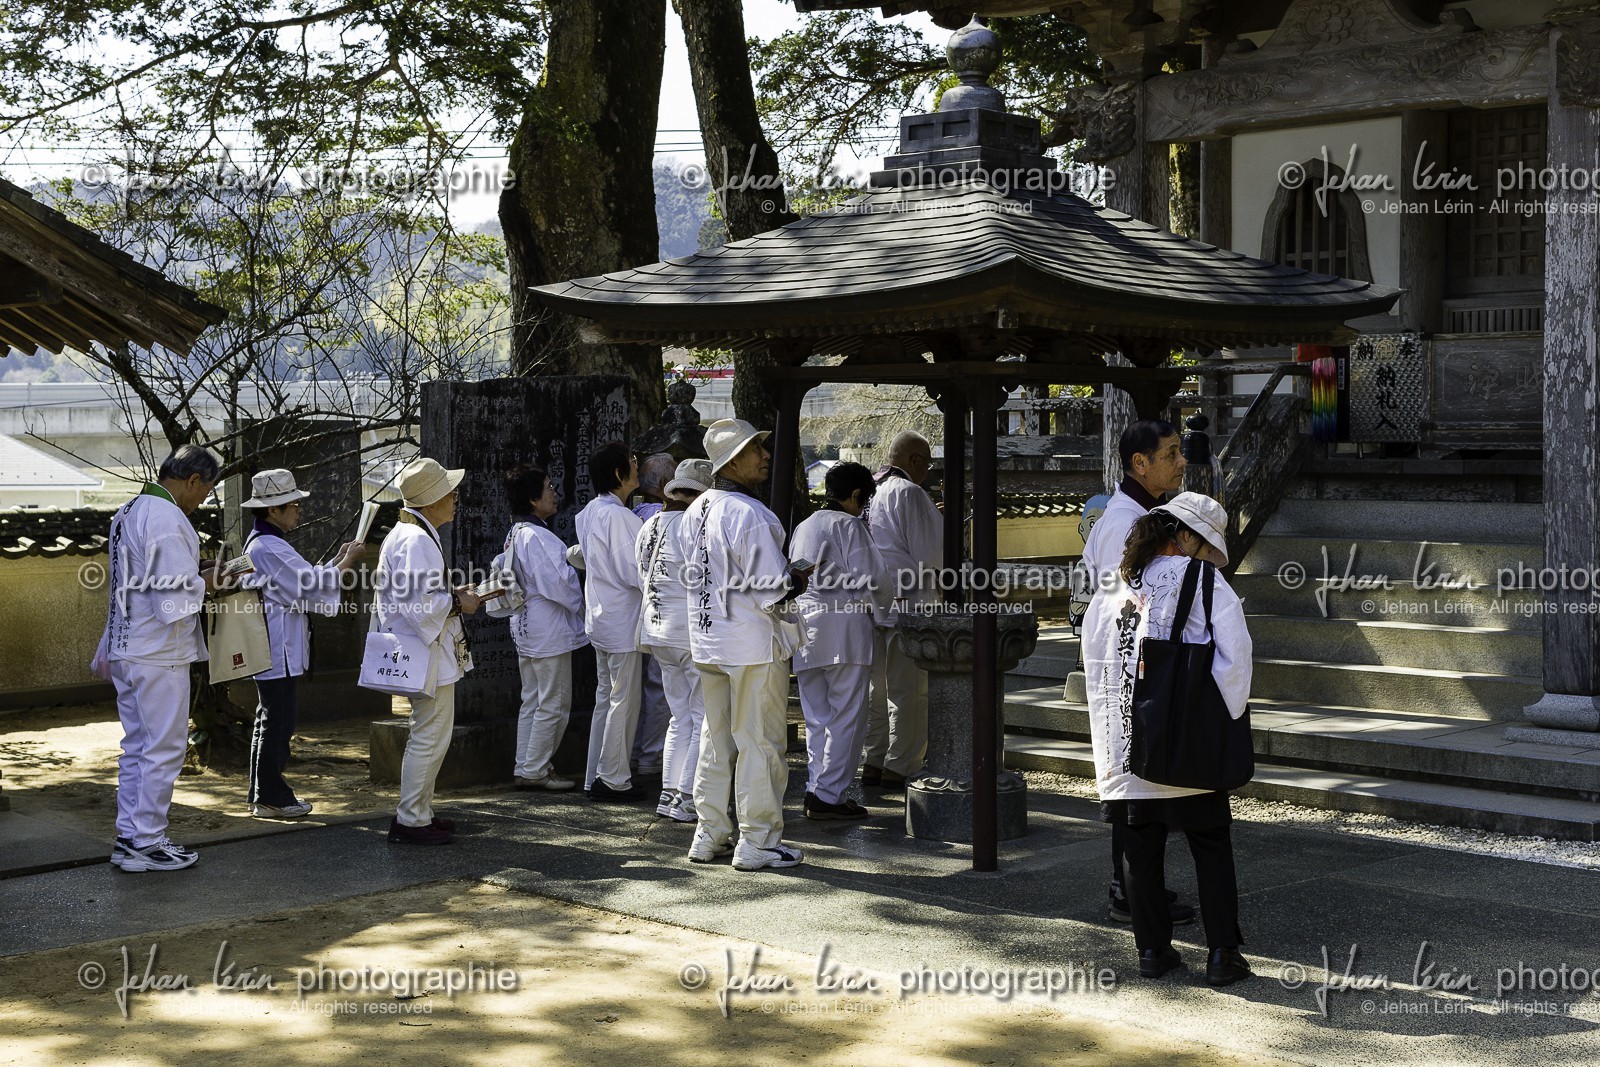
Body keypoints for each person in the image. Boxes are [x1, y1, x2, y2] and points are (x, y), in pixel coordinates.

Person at [1082, 492, 1252, 988]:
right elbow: (1235, 658)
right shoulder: (1205, 581)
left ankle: (1153, 951)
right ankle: (1222, 954)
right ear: (1187, 536)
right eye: (1204, 545)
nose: (1205, 556)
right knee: (1211, 842)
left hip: (1129, 739)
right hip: (1187, 738)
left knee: (1140, 846)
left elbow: (1096, 660)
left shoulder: (1114, 584)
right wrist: (1222, 718)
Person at [1079, 419, 1196, 928]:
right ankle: (1128, 889)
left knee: (1141, 781)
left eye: (1179, 452)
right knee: (1130, 783)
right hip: (1126, 666)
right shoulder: (1124, 521)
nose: (1181, 462)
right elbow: (1124, 602)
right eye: (1170, 454)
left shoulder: (1140, 513)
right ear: (1139, 463)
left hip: (1134, 663)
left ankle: (1139, 884)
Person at [679, 419, 809, 871]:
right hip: (750, 643)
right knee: (760, 743)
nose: (766, 456)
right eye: (757, 449)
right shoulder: (748, 513)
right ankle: (757, 839)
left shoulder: (695, 510)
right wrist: (797, 577)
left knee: (717, 741)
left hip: (708, 639)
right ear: (733, 460)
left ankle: (709, 831)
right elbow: (771, 587)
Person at [99, 445, 223, 873]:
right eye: (204, 491)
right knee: (164, 748)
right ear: (192, 480)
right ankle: (147, 840)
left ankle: (130, 838)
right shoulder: (168, 519)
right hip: (157, 650)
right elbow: (171, 597)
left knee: (137, 747)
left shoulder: (131, 508)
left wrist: (196, 570)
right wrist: (208, 580)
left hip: (129, 646)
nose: (203, 500)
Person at [241, 469, 366, 819]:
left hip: (272, 642)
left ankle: (261, 793)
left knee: (269, 718)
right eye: (292, 504)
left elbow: (302, 581)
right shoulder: (269, 546)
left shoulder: (266, 543)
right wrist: (346, 562)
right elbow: (308, 584)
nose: (298, 509)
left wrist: (338, 562)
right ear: (272, 511)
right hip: (275, 646)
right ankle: (271, 797)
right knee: (277, 721)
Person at [374, 457, 481, 845]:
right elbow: (423, 604)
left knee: (429, 733)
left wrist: (454, 598)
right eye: (448, 492)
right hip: (425, 647)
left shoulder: (408, 534)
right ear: (432, 500)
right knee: (430, 735)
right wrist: (460, 601)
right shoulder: (417, 539)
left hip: (421, 645)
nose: (455, 497)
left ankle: (419, 812)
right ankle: (411, 818)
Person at [789, 461, 891, 820]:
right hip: (845, 630)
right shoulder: (850, 525)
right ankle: (828, 795)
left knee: (817, 718)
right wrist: (885, 615)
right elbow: (874, 577)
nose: (863, 509)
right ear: (856, 495)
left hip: (806, 627)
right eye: (864, 502)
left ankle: (817, 787)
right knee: (847, 717)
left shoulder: (805, 525)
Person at [862, 430, 942, 788]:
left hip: (872, 603)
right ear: (913, 461)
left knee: (878, 691)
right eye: (926, 463)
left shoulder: (872, 491)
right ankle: (902, 764)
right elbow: (933, 556)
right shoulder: (909, 492)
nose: (927, 470)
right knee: (910, 690)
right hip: (911, 607)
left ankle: (874, 760)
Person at [636, 458, 712, 822]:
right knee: (700, 717)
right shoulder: (693, 524)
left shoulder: (649, 523)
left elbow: (640, 576)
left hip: (656, 629)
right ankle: (687, 797)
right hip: (687, 632)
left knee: (679, 717)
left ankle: (668, 794)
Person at [504, 464, 586, 792]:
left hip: (526, 623)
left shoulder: (516, 532)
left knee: (533, 699)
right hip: (546, 627)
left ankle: (526, 764)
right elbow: (559, 583)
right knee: (553, 701)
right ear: (534, 499)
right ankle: (537, 768)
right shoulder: (537, 535)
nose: (555, 493)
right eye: (549, 488)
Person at [576, 441, 646, 801]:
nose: (637, 466)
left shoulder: (590, 511)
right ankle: (614, 779)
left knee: (607, 697)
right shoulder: (619, 517)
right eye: (632, 462)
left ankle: (596, 775)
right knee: (623, 699)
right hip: (621, 618)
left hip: (601, 614)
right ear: (619, 474)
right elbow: (634, 571)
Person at [630, 452, 679, 782]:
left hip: (642, 615)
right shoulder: (664, 519)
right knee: (660, 691)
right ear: (664, 485)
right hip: (666, 617)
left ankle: (639, 752)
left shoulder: (633, 515)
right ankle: (650, 755)